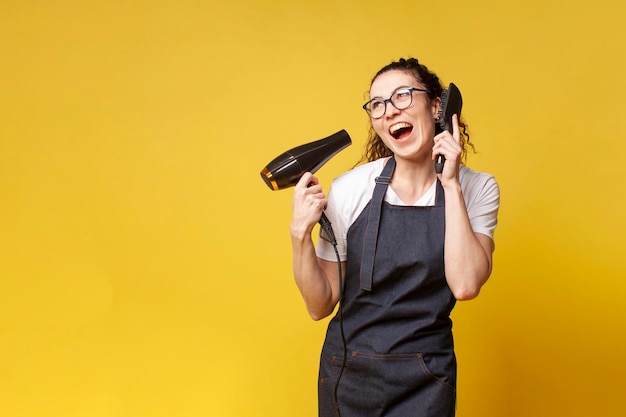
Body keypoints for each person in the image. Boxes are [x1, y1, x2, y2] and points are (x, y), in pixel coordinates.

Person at [289, 57, 499, 417]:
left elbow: (465, 286)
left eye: (402, 96)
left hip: (426, 379)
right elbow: (318, 306)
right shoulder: (350, 189)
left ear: (438, 106)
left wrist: (450, 184)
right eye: (377, 105)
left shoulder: (477, 188)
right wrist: (300, 236)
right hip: (349, 376)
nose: (388, 111)